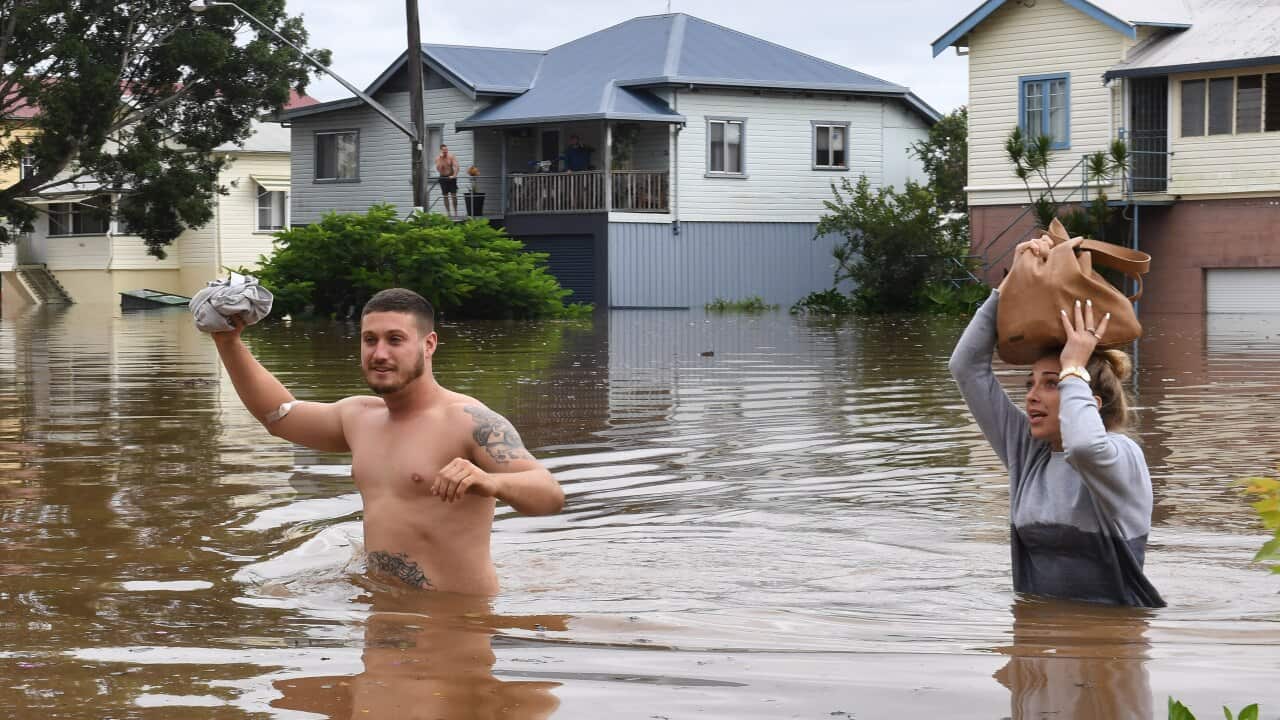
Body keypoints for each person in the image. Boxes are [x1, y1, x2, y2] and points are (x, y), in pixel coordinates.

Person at [211, 288, 565, 595]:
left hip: (455, 620)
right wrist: (227, 341)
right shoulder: (358, 418)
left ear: (429, 345)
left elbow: (549, 495)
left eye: (395, 340)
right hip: (384, 609)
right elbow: (279, 415)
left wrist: (491, 481)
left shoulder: (467, 420)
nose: (379, 353)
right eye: (370, 340)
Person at [949, 235, 1165, 608]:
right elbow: (965, 367)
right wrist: (1012, 284)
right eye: (1030, 384)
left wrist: (1074, 366)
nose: (1032, 396)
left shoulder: (1121, 455)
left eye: (1052, 384)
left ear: (1090, 402)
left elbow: (1084, 447)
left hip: (1112, 645)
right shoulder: (1027, 453)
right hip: (1035, 637)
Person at [435, 144, 460, 217]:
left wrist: (454, 175)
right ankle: (449, 213)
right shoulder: (438, 158)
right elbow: (439, 169)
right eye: (444, 151)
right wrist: (442, 159)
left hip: (451, 177)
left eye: (446, 150)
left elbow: (457, 166)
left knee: (454, 195)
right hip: (443, 178)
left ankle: (455, 213)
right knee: (445, 196)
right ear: (441, 151)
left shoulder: (451, 156)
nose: (446, 152)